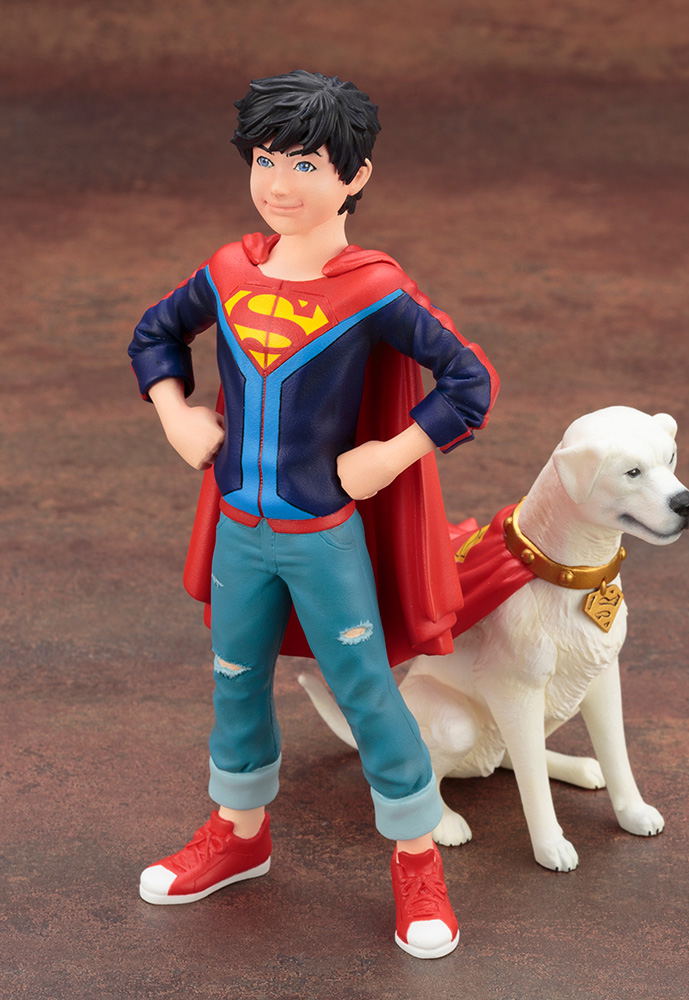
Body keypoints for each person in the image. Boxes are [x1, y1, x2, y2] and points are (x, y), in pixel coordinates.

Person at [128, 69, 498, 959]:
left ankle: (417, 861)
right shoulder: (228, 270)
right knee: (234, 677)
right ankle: (239, 833)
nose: (279, 183)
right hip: (240, 532)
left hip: (323, 536)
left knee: (367, 689)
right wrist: (176, 414)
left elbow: (469, 380)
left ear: (355, 176)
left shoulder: (373, 289)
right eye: (265, 159)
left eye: (304, 163)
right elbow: (154, 333)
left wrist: (389, 455)